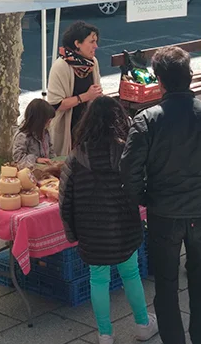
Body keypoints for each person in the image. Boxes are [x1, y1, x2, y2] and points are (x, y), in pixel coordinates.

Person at [120, 46, 201, 344]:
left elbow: (129, 170)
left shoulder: (147, 120)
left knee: (165, 282)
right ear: (189, 75)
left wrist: (143, 197)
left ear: (159, 81)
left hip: (165, 212)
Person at [59, 96, 158, 344]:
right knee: (131, 273)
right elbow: (143, 185)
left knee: (98, 279)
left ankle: (105, 334)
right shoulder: (128, 153)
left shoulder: (75, 158)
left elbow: (64, 200)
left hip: (91, 232)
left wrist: (72, 233)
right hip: (126, 228)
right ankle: (143, 324)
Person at [48, 21, 103, 156]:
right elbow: (55, 105)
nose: (96, 46)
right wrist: (86, 96)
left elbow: (97, 92)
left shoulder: (92, 62)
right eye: (92, 42)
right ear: (77, 43)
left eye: (96, 41)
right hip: (68, 129)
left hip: (88, 127)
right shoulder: (60, 66)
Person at [12, 99, 56, 170]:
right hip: (28, 172)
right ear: (38, 120)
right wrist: (36, 159)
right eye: (47, 120)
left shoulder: (45, 133)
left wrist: (54, 160)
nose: (50, 122)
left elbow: (50, 149)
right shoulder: (22, 136)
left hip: (44, 170)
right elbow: (18, 158)